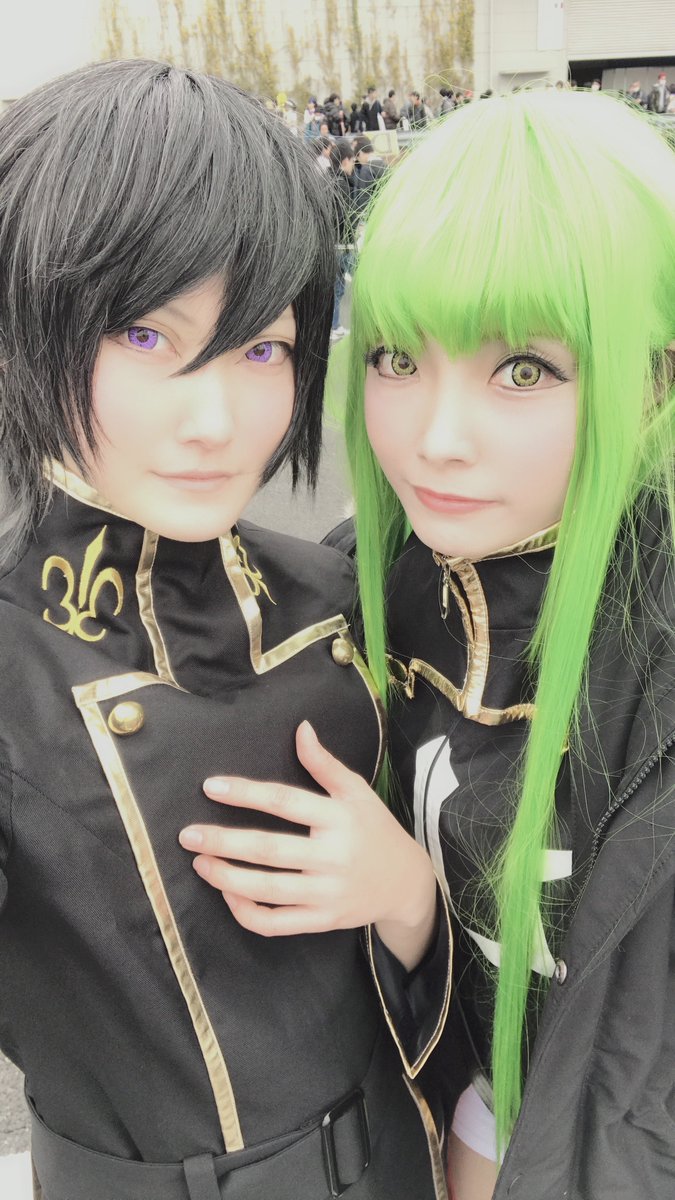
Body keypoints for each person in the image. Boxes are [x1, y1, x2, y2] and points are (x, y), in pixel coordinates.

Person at [191, 90, 675, 1200]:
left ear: (657, 377)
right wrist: (411, 905)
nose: (435, 439)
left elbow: (627, 1088)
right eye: (398, 358)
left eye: (524, 370)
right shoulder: (366, 585)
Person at [0, 59, 449, 1200]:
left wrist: (407, 896)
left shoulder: (344, 591)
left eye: (261, 348)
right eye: (144, 336)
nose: (216, 419)